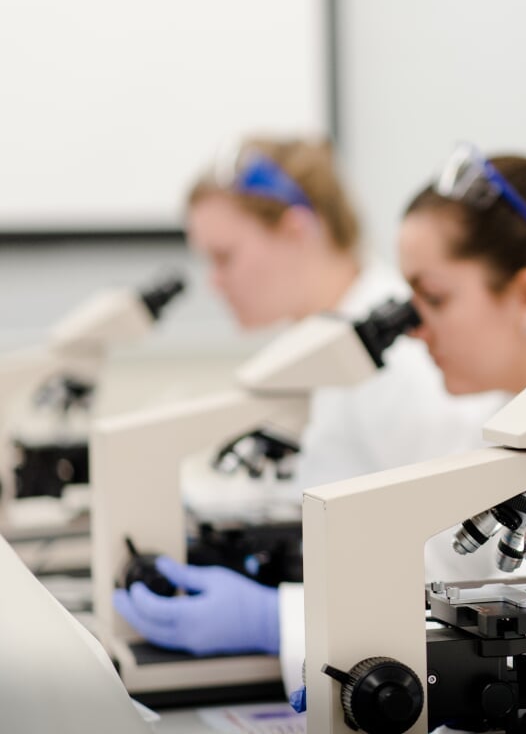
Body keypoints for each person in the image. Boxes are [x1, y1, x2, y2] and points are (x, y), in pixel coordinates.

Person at [115, 142, 526, 701]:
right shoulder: (519, 409)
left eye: (433, 299)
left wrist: (284, 624)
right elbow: (436, 573)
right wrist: (296, 621)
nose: (413, 329)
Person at [112, 137, 502, 661]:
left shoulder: (399, 361)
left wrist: (276, 619)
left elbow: (453, 565)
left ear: (296, 230)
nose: (215, 282)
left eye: (225, 257)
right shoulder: (316, 342)